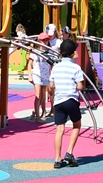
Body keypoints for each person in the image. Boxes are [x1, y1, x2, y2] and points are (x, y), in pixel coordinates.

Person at [48, 39, 86, 169]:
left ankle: (57, 159)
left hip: (58, 101)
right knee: (76, 125)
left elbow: (51, 85)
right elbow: (80, 86)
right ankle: (69, 152)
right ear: (72, 53)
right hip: (71, 99)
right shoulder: (76, 67)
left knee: (59, 130)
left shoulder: (56, 67)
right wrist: (77, 85)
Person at [28, 32, 53, 121]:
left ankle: (39, 112)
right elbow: (30, 64)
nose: (45, 42)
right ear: (39, 41)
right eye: (43, 40)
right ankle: (37, 116)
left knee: (43, 95)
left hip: (46, 75)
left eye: (47, 40)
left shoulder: (50, 52)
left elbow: (52, 65)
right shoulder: (35, 51)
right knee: (38, 95)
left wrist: (52, 77)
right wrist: (29, 75)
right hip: (37, 74)